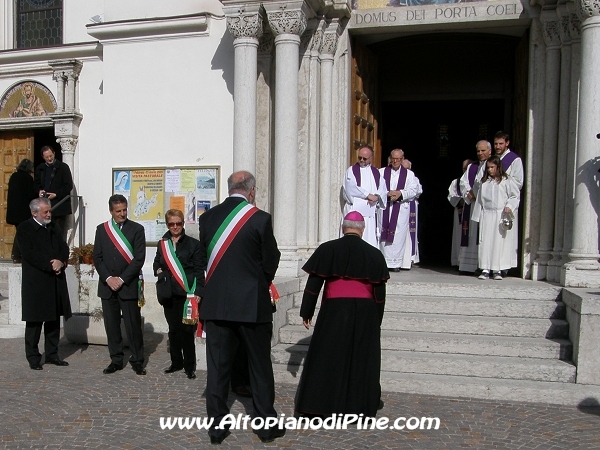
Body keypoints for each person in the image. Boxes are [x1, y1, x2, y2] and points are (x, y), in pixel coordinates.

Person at [198, 171, 282, 445]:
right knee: (258, 366)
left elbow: (204, 261)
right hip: (251, 305)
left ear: (229, 188)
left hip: (217, 305)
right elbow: (271, 260)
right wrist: (260, 281)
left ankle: (217, 428)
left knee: (218, 369)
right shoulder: (260, 218)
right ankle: (265, 426)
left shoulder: (207, 218)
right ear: (252, 191)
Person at [295, 211, 389, 417]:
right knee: (362, 359)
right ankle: (359, 408)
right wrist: (377, 319)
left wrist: (306, 311)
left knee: (327, 357)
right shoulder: (374, 254)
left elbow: (314, 284)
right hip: (365, 311)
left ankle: (319, 407)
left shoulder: (328, 249)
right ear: (362, 230)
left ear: (342, 227)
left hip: (334, 309)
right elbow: (379, 293)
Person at [93, 194, 146, 375]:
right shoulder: (102, 230)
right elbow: (97, 258)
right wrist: (109, 278)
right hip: (108, 286)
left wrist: (121, 279)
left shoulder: (137, 229)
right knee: (112, 325)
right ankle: (116, 360)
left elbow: (139, 259)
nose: (122, 214)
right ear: (111, 211)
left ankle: (138, 359)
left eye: (124, 210)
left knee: (133, 325)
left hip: (128, 285)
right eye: (118, 211)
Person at [17, 198, 71, 370]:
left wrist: (61, 261)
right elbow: (29, 254)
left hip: (55, 281)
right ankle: (33, 357)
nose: (49, 214)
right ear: (34, 213)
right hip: (36, 282)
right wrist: (50, 264)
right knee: (34, 323)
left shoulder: (54, 227)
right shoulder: (25, 228)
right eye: (45, 212)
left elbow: (64, 247)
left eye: (49, 211)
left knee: (53, 321)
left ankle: (52, 354)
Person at [153, 209, 202, 380]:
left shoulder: (193, 245)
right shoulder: (162, 244)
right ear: (167, 225)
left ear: (183, 223)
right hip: (169, 293)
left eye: (178, 223)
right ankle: (176, 363)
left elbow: (198, 270)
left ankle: (190, 366)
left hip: (187, 293)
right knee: (173, 330)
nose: (175, 227)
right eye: (171, 224)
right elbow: (156, 262)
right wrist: (159, 271)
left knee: (187, 331)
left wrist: (198, 292)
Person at [471, 155, 520, 280]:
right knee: (486, 241)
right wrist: (477, 217)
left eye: (492, 167)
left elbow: (515, 196)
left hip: (499, 214)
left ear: (498, 167)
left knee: (498, 242)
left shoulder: (506, 181)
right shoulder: (485, 183)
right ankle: (485, 268)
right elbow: (480, 202)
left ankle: (497, 269)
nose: (490, 170)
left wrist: (509, 206)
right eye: (488, 168)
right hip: (487, 215)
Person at [379, 149, 419, 271]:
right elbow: (375, 187)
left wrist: (400, 193)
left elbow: (413, 190)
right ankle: (383, 261)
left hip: (400, 208)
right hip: (385, 207)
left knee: (398, 235)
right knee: (383, 233)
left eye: (398, 159)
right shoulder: (381, 172)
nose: (395, 161)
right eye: (393, 158)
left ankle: (395, 263)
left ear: (402, 159)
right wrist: (387, 193)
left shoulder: (409, 175)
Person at [342, 145, 387, 247]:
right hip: (354, 210)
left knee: (369, 239)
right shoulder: (351, 170)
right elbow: (350, 187)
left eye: (365, 158)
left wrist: (376, 197)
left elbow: (383, 189)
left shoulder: (376, 172)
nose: (361, 160)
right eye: (360, 157)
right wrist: (368, 195)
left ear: (371, 158)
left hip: (369, 212)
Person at [459, 140, 492, 273]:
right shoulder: (472, 167)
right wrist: (468, 192)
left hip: (484, 206)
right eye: (478, 151)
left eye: (483, 150)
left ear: (490, 151)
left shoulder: (493, 165)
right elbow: (463, 182)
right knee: (471, 234)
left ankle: (482, 265)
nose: (480, 153)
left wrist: (476, 193)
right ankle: (467, 266)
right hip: (471, 205)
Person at [493, 131, 523, 270]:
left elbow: (518, 181)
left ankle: (504, 266)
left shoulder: (514, 160)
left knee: (506, 235)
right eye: (496, 144)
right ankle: (492, 264)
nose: (498, 146)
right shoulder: (493, 160)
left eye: (500, 143)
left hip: (506, 201)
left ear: (507, 143)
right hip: (493, 202)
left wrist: (504, 182)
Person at [33, 145, 73, 241]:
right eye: (47, 157)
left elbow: (68, 186)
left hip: (59, 206)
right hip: (44, 206)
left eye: (51, 156)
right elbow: (35, 184)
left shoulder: (63, 167)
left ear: (54, 153)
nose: (49, 159)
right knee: (45, 233)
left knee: (58, 232)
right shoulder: (40, 168)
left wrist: (56, 194)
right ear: (43, 157)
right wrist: (39, 191)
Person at [6, 159, 36, 263]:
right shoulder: (27, 178)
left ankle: (17, 255)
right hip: (23, 212)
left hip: (14, 211)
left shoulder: (14, 176)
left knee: (20, 231)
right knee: (22, 233)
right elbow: (31, 194)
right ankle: (17, 255)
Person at [448, 159, 471, 266]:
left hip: (471, 214)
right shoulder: (456, 182)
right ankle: (458, 261)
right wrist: (460, 200)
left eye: (468, 168)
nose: (466, 170)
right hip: (459, 213)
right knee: (459, 236)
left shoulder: (476, 181)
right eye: (464, 168)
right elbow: (451, 196)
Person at [400, 159, 422, 268]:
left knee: (410, 232)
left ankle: (410, 258)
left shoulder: (413, 178)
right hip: (398, 206)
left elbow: (418, 190)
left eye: (407, 168)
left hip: (410, 206)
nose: (405, 170)